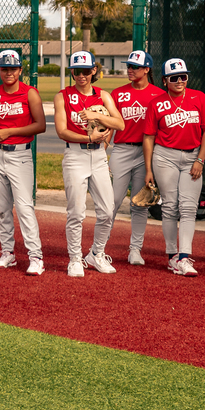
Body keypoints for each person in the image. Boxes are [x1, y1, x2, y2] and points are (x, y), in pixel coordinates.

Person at [0, 50, 47, 274]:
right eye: (5, 68)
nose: (9, 72)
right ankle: (8, 253)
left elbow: (40, 125)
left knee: (24, 207)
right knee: (3, 208)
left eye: (13, 68)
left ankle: (36, 256)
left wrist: (11, 131)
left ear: (20, 70)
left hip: (20, 154)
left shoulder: (30, 93)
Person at [144, 57, 205, 277]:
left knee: (188, 207)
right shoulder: (157, 102)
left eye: (183, 76)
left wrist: (200, 160)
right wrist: (148, 169)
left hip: (193, 156)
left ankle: (184, 257)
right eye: (174, 77)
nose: (179, 81)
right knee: (169, 206)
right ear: (165, 80)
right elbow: (149, 137)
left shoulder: (199, 97)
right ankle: (172, 255)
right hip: (164, 156)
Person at [55, 51, 125, 277]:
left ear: (94, 71)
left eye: (86, 71)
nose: (82, 76)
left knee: (107, 211)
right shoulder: (62, 96)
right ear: (72, 72)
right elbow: (61, 131)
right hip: (75, 156)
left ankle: (96, 253)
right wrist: (88, 138)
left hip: (98, 157)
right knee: (76, 212)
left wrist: (97, 115)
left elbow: (120, 124)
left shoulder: (103, 95)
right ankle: (75, 258)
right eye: (77, 71)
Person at [103, 49, 167, 265]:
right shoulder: (118, 93)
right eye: (129, 66)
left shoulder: (159, 94)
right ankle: (99, 249)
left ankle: (135, 250)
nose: (129, 70)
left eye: (135, 67)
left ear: (147, 69)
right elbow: (111, 123)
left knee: (140, 204)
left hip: (146, 153)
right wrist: (104, 145)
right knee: (111, 202)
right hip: (121, 150)